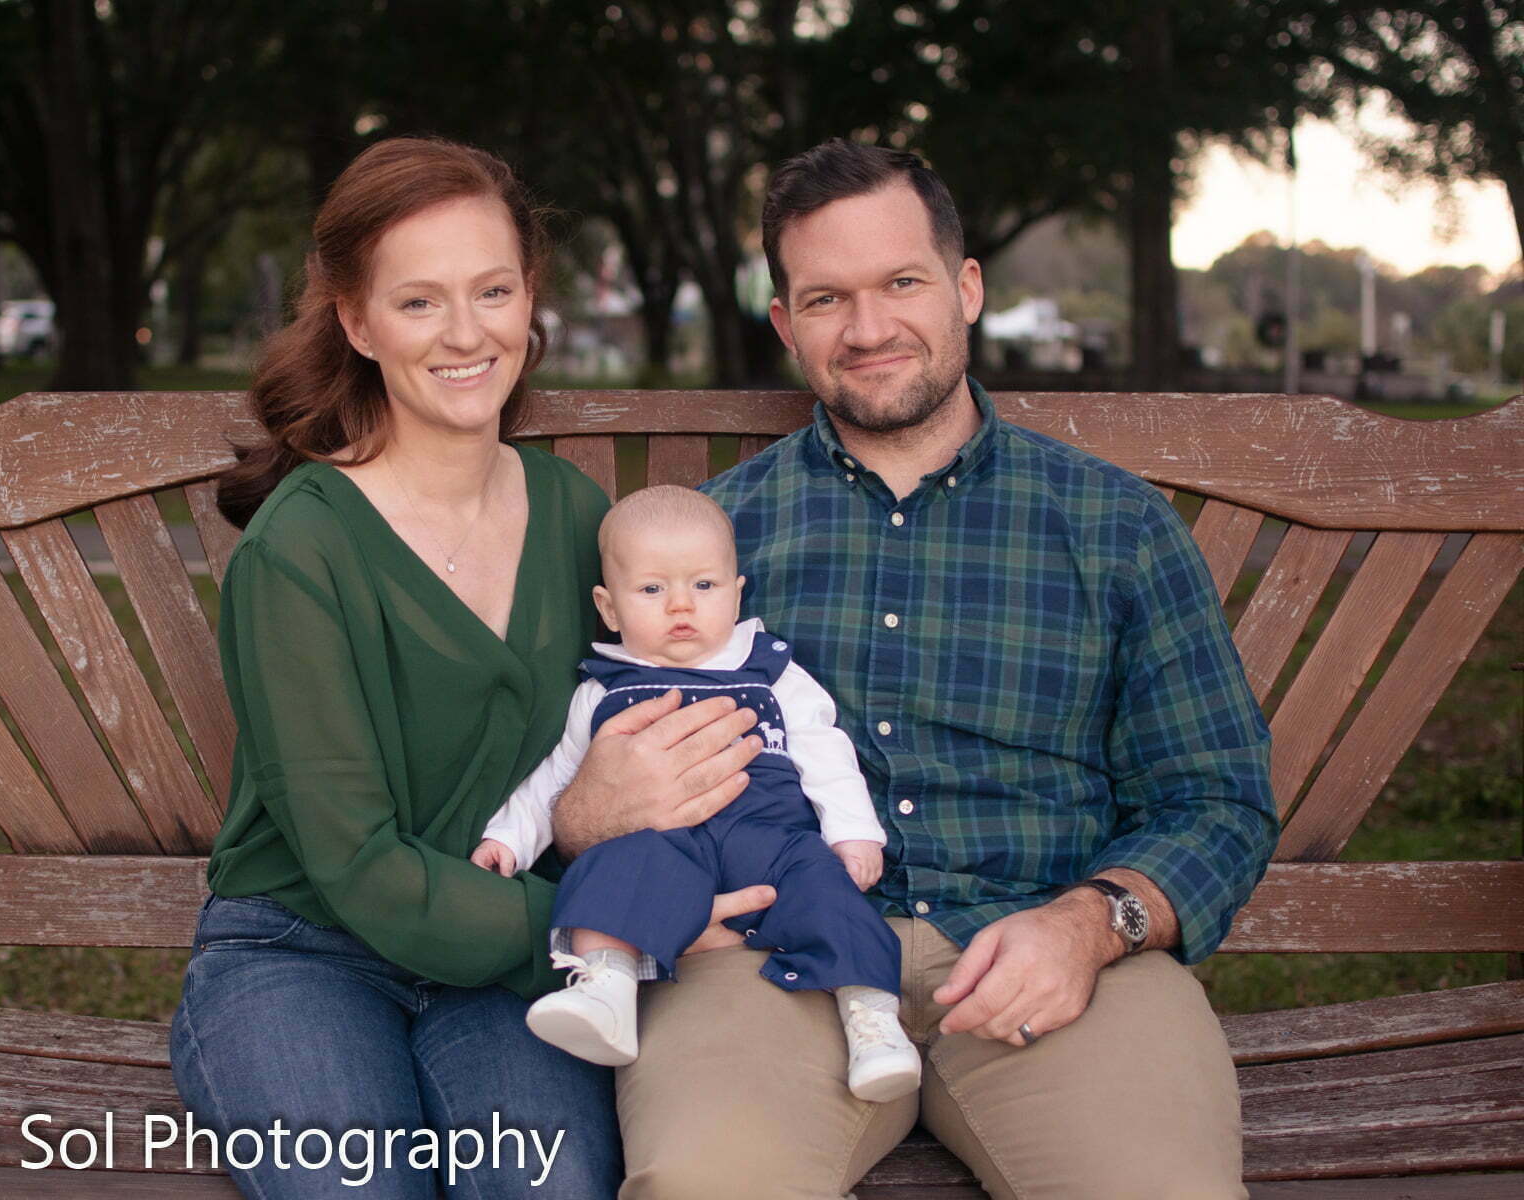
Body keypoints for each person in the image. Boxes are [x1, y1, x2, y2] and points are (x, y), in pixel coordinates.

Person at [547, 139, 1280, 1198]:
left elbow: (1215, 796)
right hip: (769, 960)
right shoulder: (712, 548)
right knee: (708, 1184)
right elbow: (588, 766)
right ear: (786, 325)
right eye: (827, 297)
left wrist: (1092, 922)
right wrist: (587, 821)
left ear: (967, 287)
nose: (871, 327)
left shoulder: (1111, 525)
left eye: (902, 282)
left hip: (1052, 948)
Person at [167, 136, 766, 1200]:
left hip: (501, 967)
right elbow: (358, 868)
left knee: (554, 1183)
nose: (465, 334)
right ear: (355, 322)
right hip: (306, 950)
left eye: (493, 291)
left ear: (530, 297)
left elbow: (652, 717)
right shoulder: (299, 551)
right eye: (418, 303)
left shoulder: (581, 517)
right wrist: (615, 927)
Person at [468, 485, 922, 1102]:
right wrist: (509, 838)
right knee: (614, 865)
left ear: (737, 593)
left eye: (704, 587)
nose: (681, 605)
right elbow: (558, 778)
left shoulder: (771, 671)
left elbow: (824, 749)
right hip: (666, 848)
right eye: (652, 590)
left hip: (774, 841)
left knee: (828, 891)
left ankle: (873, 1022)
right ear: (609, 607)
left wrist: (852, 832)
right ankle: (605, 988)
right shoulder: (605, 689)